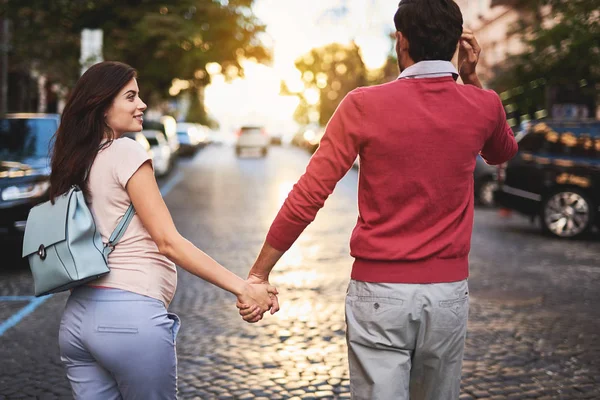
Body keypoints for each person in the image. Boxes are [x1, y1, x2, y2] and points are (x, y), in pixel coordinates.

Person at [237, 0, 518, 398]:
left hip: (379, 292)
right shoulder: (483, 104)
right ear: (458, 43)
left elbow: (310, 193)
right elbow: (502, 153)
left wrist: (260, 272)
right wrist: (471, 79)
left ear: (400, 41)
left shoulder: (362, 104)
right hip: (447, 292)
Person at [51, 61, 278, 399]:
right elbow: (168, 242)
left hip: (76, 322)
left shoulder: (73, 160)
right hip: (129, 321)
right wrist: (242, 288)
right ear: (101, 106)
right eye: (130, 97)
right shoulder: (125, 151)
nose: (141, 105)